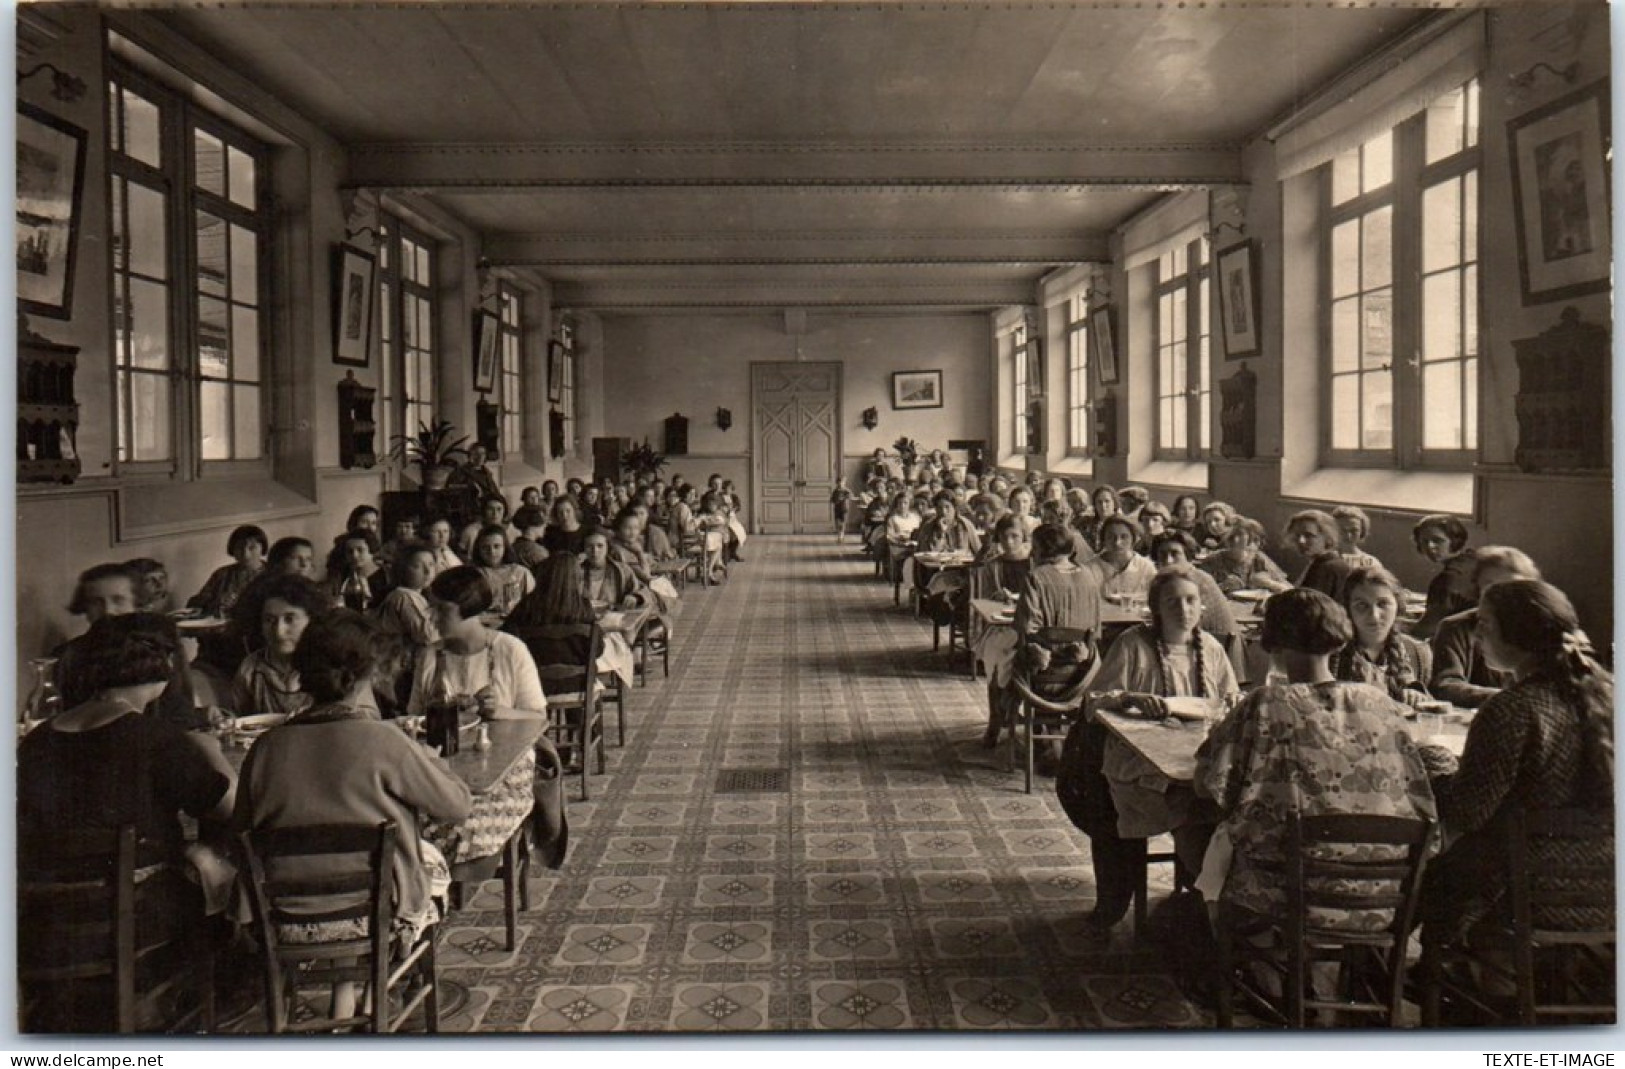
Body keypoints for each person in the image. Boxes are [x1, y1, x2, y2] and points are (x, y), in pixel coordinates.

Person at [234, 610, 472, 1016]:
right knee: (434, 855)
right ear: (368, 673)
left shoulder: (266, 747)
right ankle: (381, 988)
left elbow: (241, 830)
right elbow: (457, 806)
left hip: (284, 919)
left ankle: (347, 996)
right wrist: (433, 762)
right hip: (375, 915)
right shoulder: (383, 740)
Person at [20, 615, 235, 1029]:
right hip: (131, 921)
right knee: (224, 890)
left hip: (40, 926)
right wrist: (212, 752)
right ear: (159, 677)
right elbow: (228, 808)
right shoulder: (154, 738)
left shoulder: (37, 740)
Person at [1194, 588, 1435, 932]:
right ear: (1338, 641)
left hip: (1281, 895)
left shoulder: (1264, 704)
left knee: (1198, 831)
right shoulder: (1380, 703)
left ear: (1273, 642)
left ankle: (1247, 953)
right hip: (1380, 893)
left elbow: (1208, 786)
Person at [1416, 580, 1613, 950]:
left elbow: (1467, 813)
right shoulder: (1608, 696)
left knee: (1421, 871)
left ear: (1517, 636)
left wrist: (1433, 761)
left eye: (1486, 624)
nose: (1477, 634)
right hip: (1605, 888)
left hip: (1526, 891)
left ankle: (1393, 975)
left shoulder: (1513, 709)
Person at [1060, 565, 1240, 937]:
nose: (1183, 609)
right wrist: (1129, 698)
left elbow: (1230, 700)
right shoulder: (1132, 643)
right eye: (1172, 601)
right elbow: (1093, 702)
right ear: (1155, 607)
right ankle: (1199, 902)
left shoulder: (1211, 648)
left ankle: (1204, 900)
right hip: (1135, 764)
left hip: (1191, 758)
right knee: (1189, 806)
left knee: (1215, 805)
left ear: (1201, 606)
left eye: (1191, 600)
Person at [986, 523, 1102, 749]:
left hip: (1041, 677)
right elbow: (1095, 629)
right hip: (1080, 675)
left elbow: (1026, 627)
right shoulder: (1089, 577)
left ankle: (997, 722)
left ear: (1040, 550)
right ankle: (1049, 732)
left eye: (1035, 547)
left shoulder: (1036, 577)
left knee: (994, 660)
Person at [54, 564, 199, 729]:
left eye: (118, 600)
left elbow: (181, 713)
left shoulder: (161, 649)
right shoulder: (68, 655)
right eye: (96, 602)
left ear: (137, 604)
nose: (108, 610)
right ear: (85, 608)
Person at [409, 568, 547, 719]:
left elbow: (538, 717)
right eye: (431, 609)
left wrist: (499, 711)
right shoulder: (429, 655)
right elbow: (414, 717)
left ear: (470, 607)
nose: (432, 619)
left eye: (442, 610)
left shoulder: (511, 649)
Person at [1429, 546, 1541, 709]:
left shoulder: (1541, 628)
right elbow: (1445, 685)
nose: (1502, 594)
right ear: (1477, 589)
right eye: (1491, 586)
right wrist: (1507, 698)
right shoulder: (1455, 627)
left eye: (1512, 585)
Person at [230, 575, 329, 720]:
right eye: (269, 620)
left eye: (290, 619)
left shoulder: (328, 666)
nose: (279, 631)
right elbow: (238, 719)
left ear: (311, 620)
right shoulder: (251, 669)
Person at [1333, 565, 1432, 707]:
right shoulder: (1333, 652)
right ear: (1348, 608)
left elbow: (1437, 709)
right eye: (1362, 605)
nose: (1374, 615)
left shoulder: (1418, 652)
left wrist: (1418, 696)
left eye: (1382, 604)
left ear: (1398, 605)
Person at [1412, 514, 1477, 640]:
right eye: (1424, 541)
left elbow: (1424, 631)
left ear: (1454, 540)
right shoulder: (1472, 558)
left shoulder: (1446, 580)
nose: (1430, 546)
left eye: (1438, 540)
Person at [188, 525, 268, 617]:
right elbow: (196, 603)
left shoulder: (272, 574)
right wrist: (218, 602)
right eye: (239, 548)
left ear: (262, 548)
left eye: (252, 548)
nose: (246, 554)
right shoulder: (222, 574)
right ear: (232, 550)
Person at [374, 544, 440, 651]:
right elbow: (427, 636)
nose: (427, 571)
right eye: (417, 566)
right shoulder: (404, 596)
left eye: (431, 564)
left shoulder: (418, 595)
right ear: (402, 570)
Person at [1199, 517, 1291, 594]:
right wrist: (1222, 586)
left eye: (1239, 534)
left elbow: (1290, 590)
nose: (1234, 539)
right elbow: (1196, 590)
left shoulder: (1259, 559)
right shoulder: (1214, 559)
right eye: (1231, 535)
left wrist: (1269, 583)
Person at [1283, 509, 1355, 602]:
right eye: (1297, 535)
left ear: (1328, 537)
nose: (1301, 541)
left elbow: (1307, 608)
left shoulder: (1328, 568)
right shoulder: (1320, 562)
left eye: (1308, 535)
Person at [1082, 516, 1156, 601]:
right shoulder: (1089, 569)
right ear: (1103, 540)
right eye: (1111, 537)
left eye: (1124, 537)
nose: (1117, 543)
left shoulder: (1146, 568)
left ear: (1133, 539)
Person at [471, 524, 536, 620]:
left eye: (497, 546)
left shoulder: (521, 573)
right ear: (478, 550)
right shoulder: (473, 575)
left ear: (505, 547)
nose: (492, 552)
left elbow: (533, 604)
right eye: (485, 548)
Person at [581, 528, 648, 610]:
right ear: (584, 549)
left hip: (614, 618)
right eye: (589, 546)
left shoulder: (622, 570)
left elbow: (644, 590)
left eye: (600, 546)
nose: (595, 551)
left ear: (607, 547)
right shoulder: (576, 570)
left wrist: (635, 597)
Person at [327, 530, 390, 612]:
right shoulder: (344, 576)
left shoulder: (386, 577)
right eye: (350, 552)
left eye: (360, 550)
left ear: (371, 550)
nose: (354, 556)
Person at [458, 495, 512, 560]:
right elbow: (460, 553)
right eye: (490, 509)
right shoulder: (471, 531)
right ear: (484, 511)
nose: (495, 513)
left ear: (504, 511)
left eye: (499, 509)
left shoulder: (511, 530)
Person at [1331, 505, 1381, 570]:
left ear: (1362, 531)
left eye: (1354, 530)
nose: (1348, 535)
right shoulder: (1324, 559)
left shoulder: (1370, 562)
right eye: (1342, 530)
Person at [509, 506, 550, 571]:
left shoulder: (512, 547)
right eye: (542, 522)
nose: (545, 526)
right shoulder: (539, 552)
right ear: (532, 526)